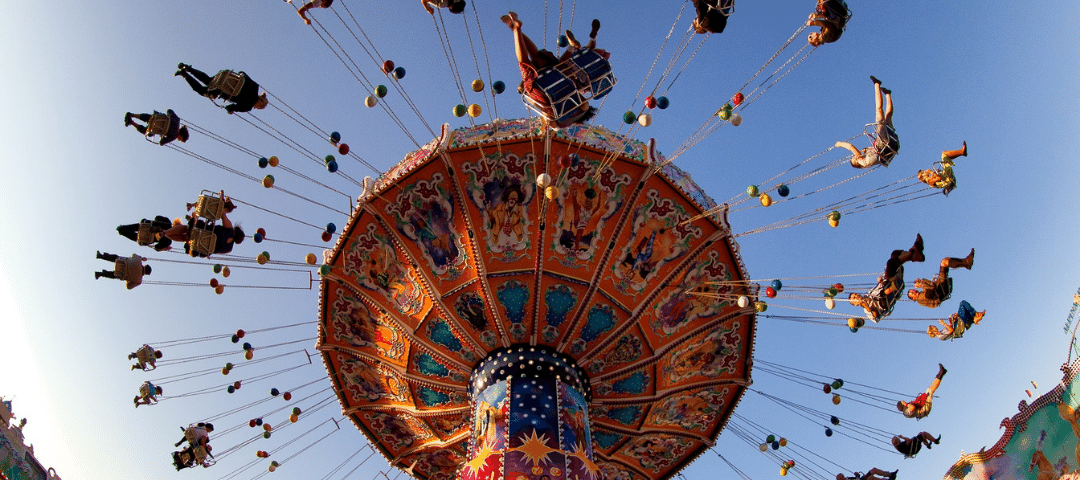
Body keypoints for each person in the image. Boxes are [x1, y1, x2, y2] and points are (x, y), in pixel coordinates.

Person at [503, 12, 598, 128]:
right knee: (524, 63)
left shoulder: (584, 106)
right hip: (543, 91)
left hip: (556, 77)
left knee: (536, 55)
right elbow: (544, 112)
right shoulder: (559, 125)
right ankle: (516, 29)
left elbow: (580, 98)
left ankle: (515, 29)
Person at [847, 234, 925, 321]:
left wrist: (880, 280)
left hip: (890, 281)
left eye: (855, 294)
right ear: (855, 304)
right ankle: (914, 253)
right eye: (854, 298)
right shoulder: (866, 310)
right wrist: (865, 304)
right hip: (889, 294)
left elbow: (880, 286)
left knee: (894, 255)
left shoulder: (869, 293)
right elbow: (875, 316)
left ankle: (915, 254)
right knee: (881, 295)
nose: (856, 296)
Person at [835, 76, 899, 169]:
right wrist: (840, 144)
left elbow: (872, 152)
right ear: (857, 162)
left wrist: (865, 150)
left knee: (888, 117)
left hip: (891, 144)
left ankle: (888, 94)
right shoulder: (862, 162)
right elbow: (851, 147)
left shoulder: (867, 160)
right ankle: (877, 84)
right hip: (884, 143)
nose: (855, 157)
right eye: (854, 158)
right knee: (879, 111)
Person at [175, 64, 268, 114]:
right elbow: (230, 107)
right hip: (220, 91)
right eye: (258, 107)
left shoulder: (255, 86)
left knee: (208, 80)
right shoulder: (247, 107)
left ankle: (187, 68)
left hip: (226, 78)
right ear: (259, 103)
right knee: (201, 91)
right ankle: (184, 75)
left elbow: (241, 73)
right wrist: (230, 111)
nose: (255, 108)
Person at [908, 249, 975, 308]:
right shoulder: (921, 300)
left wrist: (921, 281)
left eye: (912, 290)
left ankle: (966, 263)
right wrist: (922, 284)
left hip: (939, 285)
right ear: (914, 299)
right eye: (912, 293)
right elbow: (931, 288)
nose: (914, 291)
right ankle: (966, 263)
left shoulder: (923, 291)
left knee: (944, 261)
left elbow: (931, 284)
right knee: (944, 263)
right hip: (940, 292)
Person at [124, 109, 190, 146]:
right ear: (182, 135)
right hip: (155, 128)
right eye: (180, 139)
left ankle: (132, 115)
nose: (178, 140)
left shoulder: (177, 120)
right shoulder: (174, 136)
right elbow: (162, 142)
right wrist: (162, 137)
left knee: (150, 118)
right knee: (146, 132)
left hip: (157, 118)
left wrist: (169, 117)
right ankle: (131, 122)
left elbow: (169, 110)